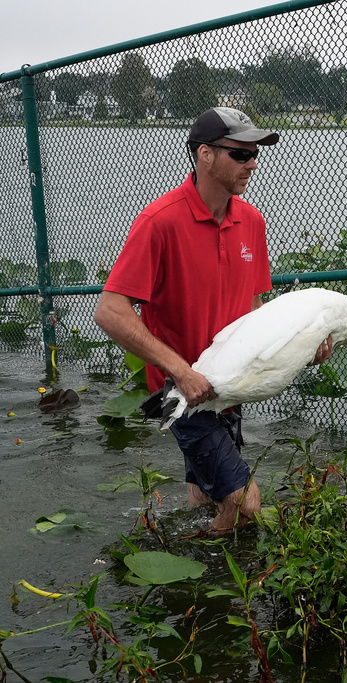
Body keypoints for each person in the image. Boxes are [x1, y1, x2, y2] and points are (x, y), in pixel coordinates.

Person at [94, 107, 332, 533]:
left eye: (255, 154)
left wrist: (300, 348)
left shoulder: (252, 222)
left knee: (206, 496)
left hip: (230, 385)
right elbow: (110, 311)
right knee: (247, 505)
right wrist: (181, 372)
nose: (252, 164)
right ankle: (217, 582)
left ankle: (193, 555)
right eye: (240, 155)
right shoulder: (160, 222)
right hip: (184, 392)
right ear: (205, 155)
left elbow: (257, 313)